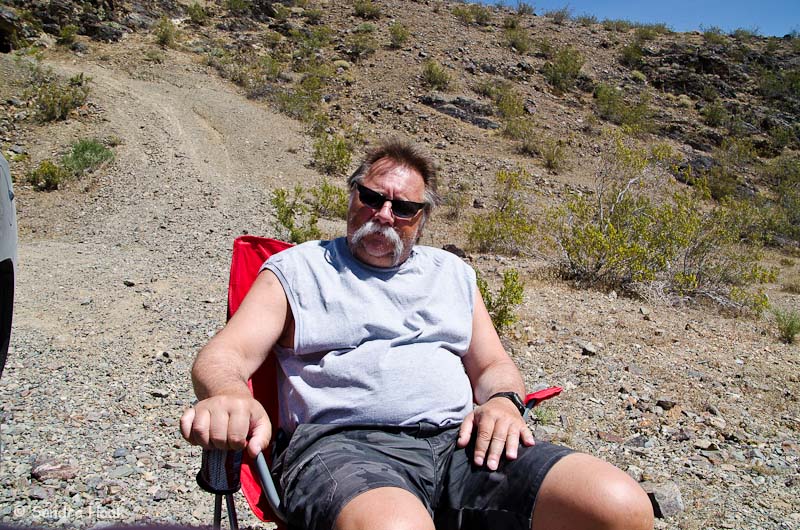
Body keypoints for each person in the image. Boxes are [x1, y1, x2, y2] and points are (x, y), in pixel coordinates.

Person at [180, 139, 654, 530]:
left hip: (460, 443)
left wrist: (503, 403)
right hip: (342, 447)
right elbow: (224, 354)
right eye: (372, 197)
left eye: (404, 207)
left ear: (422, 219)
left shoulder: (452, 274)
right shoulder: (296, 270)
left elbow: (492, 365)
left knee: (619, 505)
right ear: (352, 196)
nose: (384, 214)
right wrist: (229, 394)